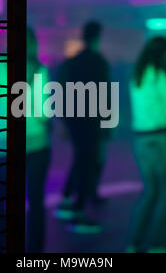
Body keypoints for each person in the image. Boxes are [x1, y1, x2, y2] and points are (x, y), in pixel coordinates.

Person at [0, 28, 51, 252]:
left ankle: (0, 247)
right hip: (30, 143)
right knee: (31, 201)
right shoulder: (40, 70)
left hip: (11, 143)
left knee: (2, 200)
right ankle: (30, 250)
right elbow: (45, 113)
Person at [126, 37, 166, 253]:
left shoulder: (138, 76)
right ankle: (157, 243)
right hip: (159, 137)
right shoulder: (159, 75)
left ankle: (134, 242)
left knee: (150, 191)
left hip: (140, 138)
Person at [55, 21, 111, 233]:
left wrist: (63, 121)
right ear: (97, 37)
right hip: (91, 122)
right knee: (88, 163)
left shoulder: (72, 63)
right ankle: (78, 211)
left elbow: (60, 90)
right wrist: (107, 122)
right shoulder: (98, 62)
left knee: (80, 159)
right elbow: (105, 93)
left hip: (75, 120)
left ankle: (69, 200)